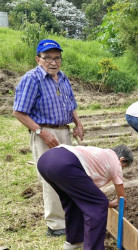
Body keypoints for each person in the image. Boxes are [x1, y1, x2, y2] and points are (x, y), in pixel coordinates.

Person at [13, 39, 84, 236]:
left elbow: (71, 105)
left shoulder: (62, 77)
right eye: (48, 58)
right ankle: (56, 224)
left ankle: (68, 217)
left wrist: (78, 124)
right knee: (52, 178)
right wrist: (41, 132)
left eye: (57, 58)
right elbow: (19, 112)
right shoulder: (32, 79)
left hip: (64, 130)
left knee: (69, 175)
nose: (53, 62)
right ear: (38, 59)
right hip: (44, 133)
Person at [37, 144, 133, 250]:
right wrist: (118, 202)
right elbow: (121, 193)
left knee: (73, 200)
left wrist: (108, 203)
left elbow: (87, 194)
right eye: (123, 167)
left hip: (45, 161)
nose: (121, 169)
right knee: (98, 205)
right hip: (63, 165)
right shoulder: (115, 161)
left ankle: (74, 241)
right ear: (122, 159)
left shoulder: (100, 155)